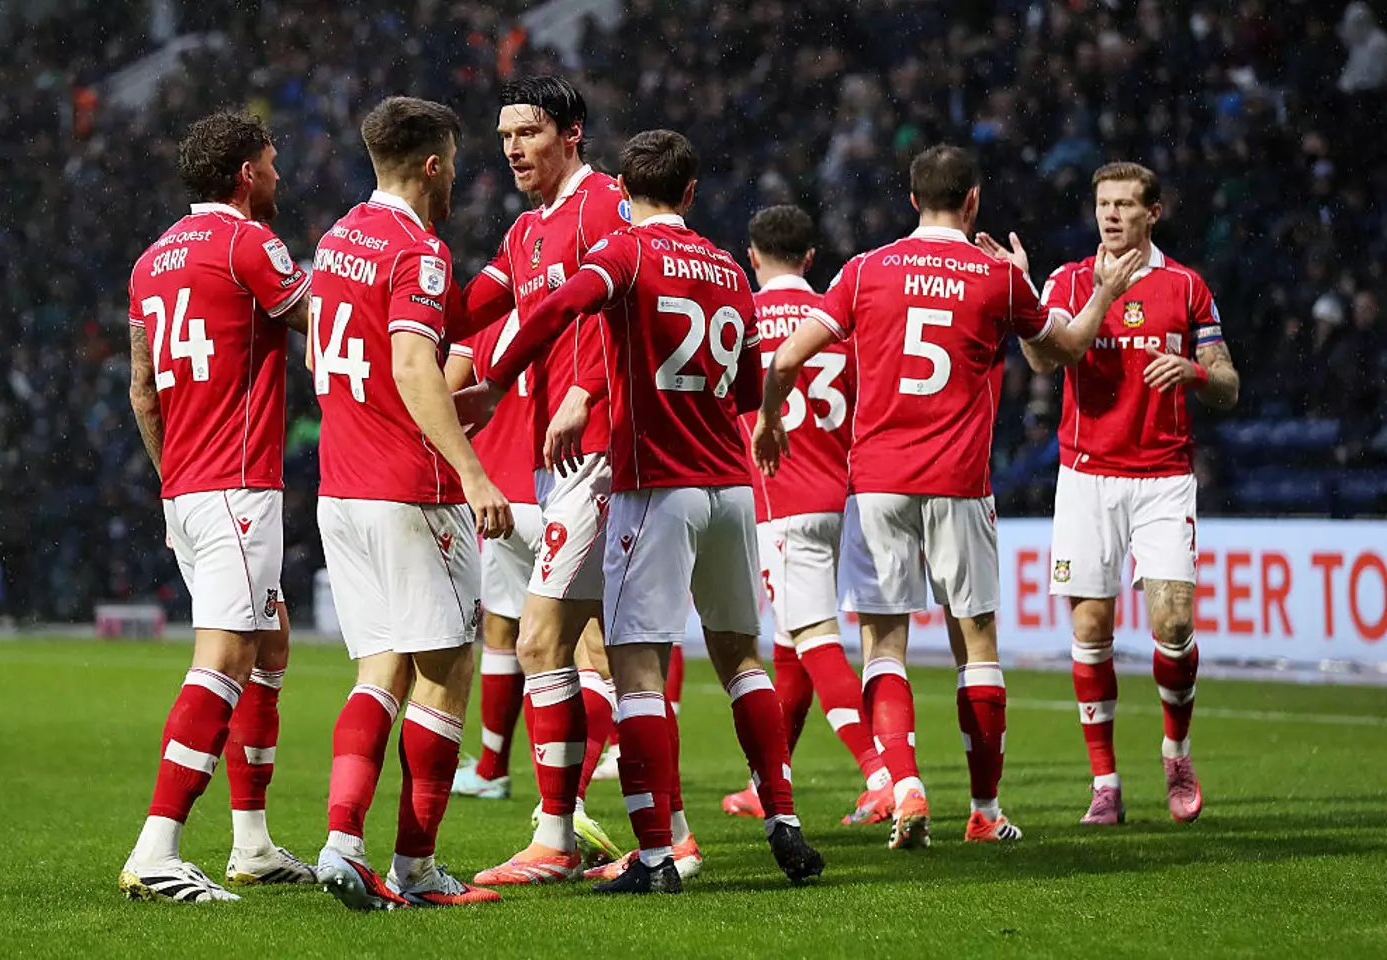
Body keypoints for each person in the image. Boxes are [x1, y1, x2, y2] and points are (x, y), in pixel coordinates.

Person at [755, 144, 1144, 850]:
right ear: (972, 202)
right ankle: (985, 809)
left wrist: (768, 420)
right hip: (960, 485)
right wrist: (1104, 294)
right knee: (978, 645)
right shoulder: (997, 277)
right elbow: (1065, 349)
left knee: (884, 643)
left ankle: (904, 784)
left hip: (876, 486)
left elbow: (784, 358)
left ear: (911, 200)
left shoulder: (866, 269)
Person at [466, 129, 823, 894]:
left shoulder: (625, 253)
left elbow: (562, 306)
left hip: (652, 486)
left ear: (623, 193)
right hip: (729, 487)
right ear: (693, 192)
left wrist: (500, 380)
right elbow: (748, 390)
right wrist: (766, 423)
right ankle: (782, 819)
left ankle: (655, 853)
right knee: (743, 660)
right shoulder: (729, 268)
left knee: (630, 668)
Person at [977, 162, 1239, 826]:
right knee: (1091, 628)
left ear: (1154, 213)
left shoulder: (1186, 286)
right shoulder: (1068, 280)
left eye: (1126, 204)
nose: (1112, 214)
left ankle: (1175, 753)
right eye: (1103, 203)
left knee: (1172, 623)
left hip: (1162, 477)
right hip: (1088, 478)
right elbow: (1044, 359)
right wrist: (1051, 292)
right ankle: (1106, 783)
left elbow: (1229, 382)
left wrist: (1197, 374)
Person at [309, 96, 512, 911]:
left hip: (341, 488)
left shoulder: (337, 239)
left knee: (380, 671)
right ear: (434, 164)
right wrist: (471, 469)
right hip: (409, 490)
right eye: (456, 162)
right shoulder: (417, 251)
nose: (458, 175)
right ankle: (417, 869)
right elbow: (410, 367)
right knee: (447, 670)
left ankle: (340, 843)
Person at [120, 110, 316, 902]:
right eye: (270, 164)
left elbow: (142, 391)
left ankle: (253, 845)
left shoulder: (148, 261)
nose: (278, 177)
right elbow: (324, 322)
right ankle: (157, 849)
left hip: (189, 487)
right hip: (234, 484)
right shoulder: (249, 244)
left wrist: (176, 480)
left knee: (268, 649)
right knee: (228, 660)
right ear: (244, 174)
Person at [459, 75, 631, 883]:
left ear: (571, 133)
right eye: (503, 138)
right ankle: (645, 834)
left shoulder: (604, 204)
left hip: (601, 451)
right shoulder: (527, 233)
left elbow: (621, 300)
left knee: (545, 640)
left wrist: (585, 389)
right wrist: (371, 310)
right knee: (594, 647)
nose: (513, 150)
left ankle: (556, 836)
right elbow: (473, 310)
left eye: (526, 132)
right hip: (556, 463)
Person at [721, 204, 895, 827]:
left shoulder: (742, 318)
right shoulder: (835, 317)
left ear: (752, 256)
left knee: (815, 637)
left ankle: (880, 774)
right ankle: (767, 782)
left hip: (779, 495)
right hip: (842, 491)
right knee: (790, 641)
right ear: (812, 259)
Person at [442, 311, 539, 802]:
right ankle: (581, 790)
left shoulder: (484, 321)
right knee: (588, 645)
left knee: (502, 630)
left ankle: (493, 769)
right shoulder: (573, 308)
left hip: (501, 494)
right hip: (563, 488)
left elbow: (444, 395)